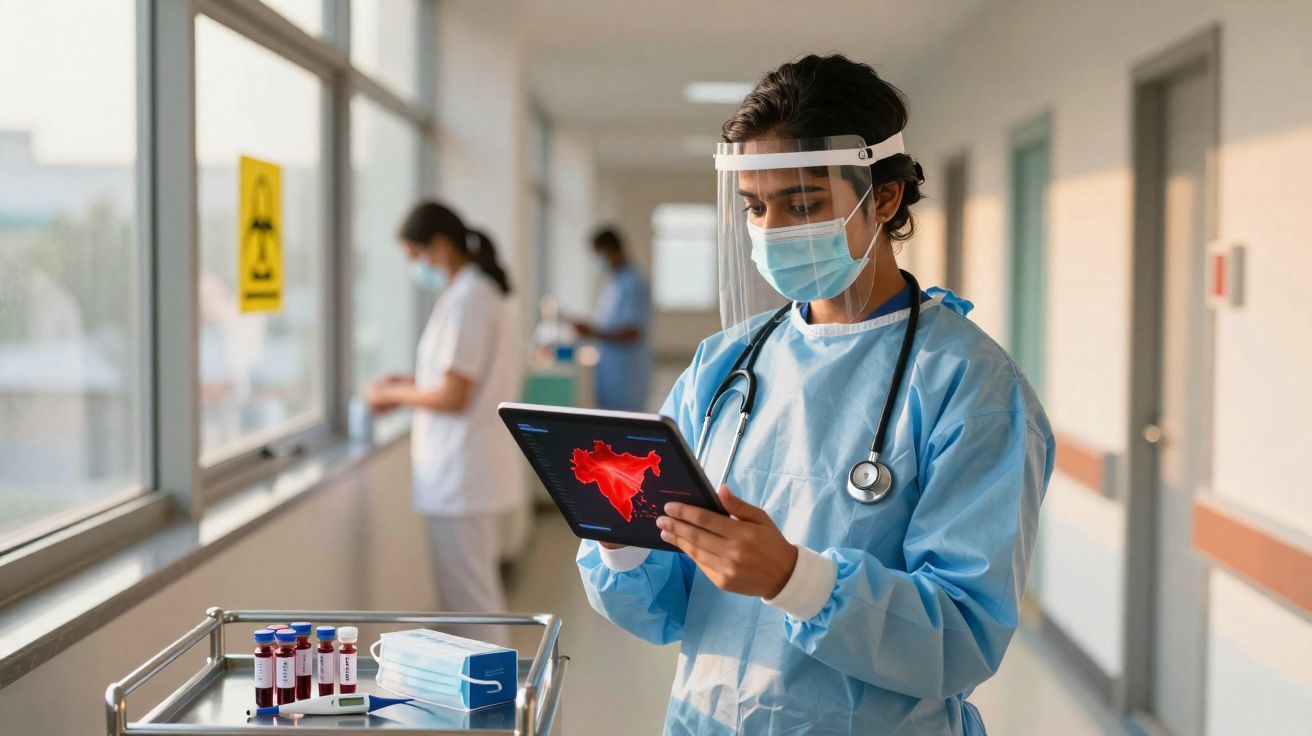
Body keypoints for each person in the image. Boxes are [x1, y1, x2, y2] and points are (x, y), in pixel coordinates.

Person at [576, 54, 1054, 735]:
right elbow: (666, 607)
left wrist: (796, 580)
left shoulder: (969, 386)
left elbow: (962, 638)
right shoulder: (724, 366)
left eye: (802, 203)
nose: (773, 229)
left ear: (882, 197)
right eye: (756, 206)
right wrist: (621, 537)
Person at [366, 201, 521, 641]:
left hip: (462, 476)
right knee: (469, 602)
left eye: (416, 256)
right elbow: (452, 378)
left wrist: (391, 393)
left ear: (439, 245)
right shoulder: (470, 295)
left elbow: (454, 395)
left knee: (473, 606)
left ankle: (497, 699)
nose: (416, 268)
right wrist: (410, 382)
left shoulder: (469, 299)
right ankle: (484, 693)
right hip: (466, 472)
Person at [569, 227, 652, 411]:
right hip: (611, 369)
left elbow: (633, 333)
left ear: (610, 251)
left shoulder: (633, 283)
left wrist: (592, 332)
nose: (597, 261)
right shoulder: (614, 281)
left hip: (626, 375)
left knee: (625, 427)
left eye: (598, 255)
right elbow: (610, 322)